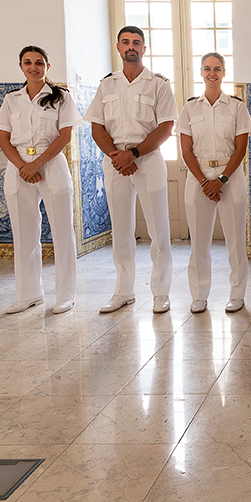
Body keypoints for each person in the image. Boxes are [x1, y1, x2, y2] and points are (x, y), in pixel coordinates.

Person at [85, 26, 178, 315]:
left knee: (158, 230)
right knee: (121, 231)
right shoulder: (107, 85)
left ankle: (161, 292)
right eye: (126, 42)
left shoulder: (158, 84)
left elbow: (166, 127)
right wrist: (117, 156)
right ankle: (123, 291)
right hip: (115, 163)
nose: (131, 47)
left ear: (144, 49)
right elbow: (96, 125)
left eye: (137, 43)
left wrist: (134, 154)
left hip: (147, 161)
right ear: (118, 47)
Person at [0, 46, 82, 315]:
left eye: (39, 62)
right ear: (20, 66)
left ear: (47, 67)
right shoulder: (12, 99)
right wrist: (23, 167)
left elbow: (65, 136)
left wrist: (37, 164)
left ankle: (65, 294)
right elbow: (3, 139)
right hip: (19, 167)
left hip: (50, 163)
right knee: (23, 231)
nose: (34, 67)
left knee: (62, 230)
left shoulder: (60, 97)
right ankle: (29, 294)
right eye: (28, 62)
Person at [178, 52, 251, 314]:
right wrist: (203, 181)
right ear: (201, 72)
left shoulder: (236, 106)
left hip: (229, 175)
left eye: (217, 68)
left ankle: (237, 293)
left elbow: (241, 148)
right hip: (198, 176)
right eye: (207, 68)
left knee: (234, 240)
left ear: (223, 72)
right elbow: (186, 150)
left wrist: (221, 180)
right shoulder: (189, 108)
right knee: (199, 241)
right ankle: (199, 294)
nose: (212, 73)